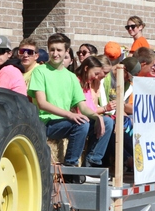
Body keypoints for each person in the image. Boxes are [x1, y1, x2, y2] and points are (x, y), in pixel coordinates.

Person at [29, 33, 103, 181]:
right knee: (81, 124)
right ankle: (70, 168)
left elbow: (82, 106)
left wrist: (97, 116)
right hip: (44, 123)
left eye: (59, 50)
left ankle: (82, 164)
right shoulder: (40, 71)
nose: (55, 53)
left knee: (90, 122)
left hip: (62, 123)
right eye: (52, 50)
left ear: (66, 52)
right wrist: (69, 115)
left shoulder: (71, 77)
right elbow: (42, 103)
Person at [76, 56, 115, 168]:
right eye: (97, 73)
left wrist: (102, 112)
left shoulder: (88, 84)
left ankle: (93, 159)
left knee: (108, 122)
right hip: (79, 118)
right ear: (87, 69)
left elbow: (90, 107)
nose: (98, 77)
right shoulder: (77, 82)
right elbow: (81, 108)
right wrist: (103, 110)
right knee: (103, 122)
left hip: (87, 116)